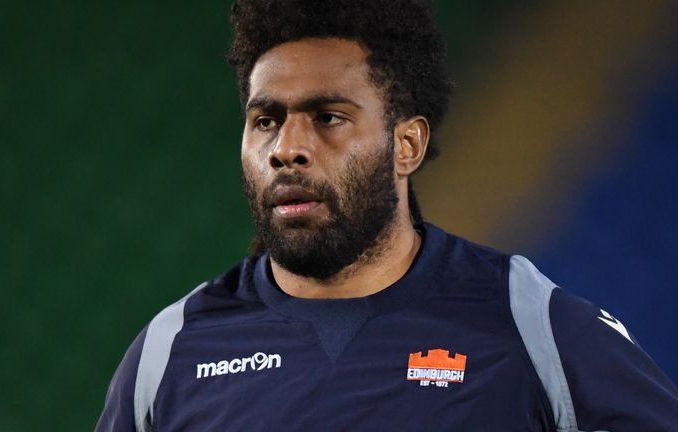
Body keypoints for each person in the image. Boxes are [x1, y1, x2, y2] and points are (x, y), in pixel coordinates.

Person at [96, 0, 678, 430]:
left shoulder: (530, 324)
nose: (286, 148)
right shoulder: (170, 353)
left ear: (408, 145)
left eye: (328, 116)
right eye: (266, 120)